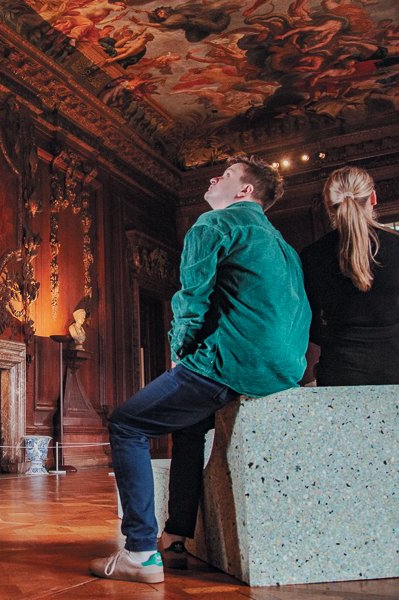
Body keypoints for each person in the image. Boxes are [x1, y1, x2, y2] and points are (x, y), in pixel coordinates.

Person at [89, 156, 311, 584]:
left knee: (126, 424)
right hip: (282, 373)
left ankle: (138, 552)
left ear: (244, 191)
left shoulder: (215, 225)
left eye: (226, 175)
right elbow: (298, 313)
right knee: (188, 427)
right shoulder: (284, 247)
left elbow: (191, 300)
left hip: (231, 364)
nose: (213, 178)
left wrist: (183, 354)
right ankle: (176, 536)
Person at [299, 166, 399, 392]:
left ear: (328, 207)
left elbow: (313, 324)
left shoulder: (312, 255)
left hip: (342, 367)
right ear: (373, 197)